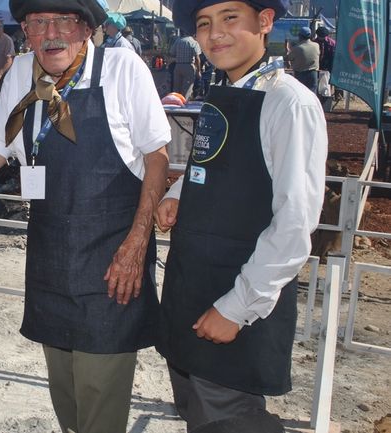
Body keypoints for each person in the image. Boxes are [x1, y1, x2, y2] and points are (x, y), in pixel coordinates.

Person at [0, 0, 171, 431]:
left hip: (113, 263)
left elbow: (158, 158)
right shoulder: (20, 74)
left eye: (63, 22)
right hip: (52, 261)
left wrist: (138, 242)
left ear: (86, 29)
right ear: (26, 31)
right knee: (66, 398)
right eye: (37, 23)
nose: (50, 33)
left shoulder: (124, 70)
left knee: (99, 403)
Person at [156, 1, 328, 432]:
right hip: (193, 291)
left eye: (230, 18)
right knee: (198, 413)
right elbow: (216, 162)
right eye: (204, 24)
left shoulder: (289, 103)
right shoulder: (228, 88)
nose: (215, 34)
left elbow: (295, 222)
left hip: (234, 298)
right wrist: (180, 192)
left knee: (229, 419)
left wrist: (237, 308)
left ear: (265, 22)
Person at [286, 26, 319, 94]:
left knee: (300, 94)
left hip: (300, 74)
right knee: (312, 94)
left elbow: (288, 58)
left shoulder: (297, 48)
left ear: (300, 36)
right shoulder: (316, 45)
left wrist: (288, 50)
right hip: (313, 74)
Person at [170, 33, 202, 99]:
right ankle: (185, 102)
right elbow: (197, 58)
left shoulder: (178, 41)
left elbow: (172, 53)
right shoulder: (194, 42)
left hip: (178, 65)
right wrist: (198, 70)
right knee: (187, 88)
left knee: (177, 87)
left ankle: (175, 102)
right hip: (189, 66)